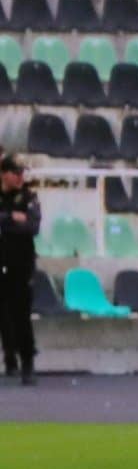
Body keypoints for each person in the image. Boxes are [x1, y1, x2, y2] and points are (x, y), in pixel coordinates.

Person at [0, 155, 40, 385]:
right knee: (4, 315)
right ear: (4, 174)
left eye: (21, 173)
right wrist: (11, 218)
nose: (20, 177)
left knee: (21, 316)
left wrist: (10, 224)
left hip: (21, 263)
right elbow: (16, 222)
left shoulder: (28, 196)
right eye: (15, 172)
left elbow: (32, 225)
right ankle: (9, 359)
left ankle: (27, 362)